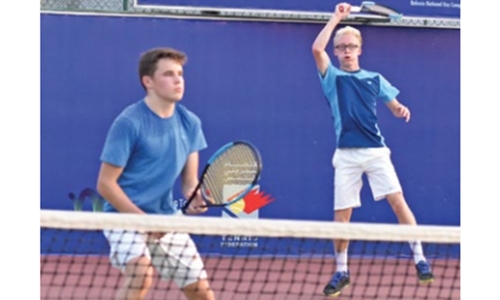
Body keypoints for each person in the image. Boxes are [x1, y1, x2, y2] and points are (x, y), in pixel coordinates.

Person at [311, 3, 434, 297]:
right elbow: (317, 50)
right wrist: (337, 18)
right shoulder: (332, 78)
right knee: (342, 217)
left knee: (397, 201)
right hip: (346, 155)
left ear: (359, 50)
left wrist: (400, 109)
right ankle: (342, 271)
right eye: (341, 47)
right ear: (337, 52)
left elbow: (393, 105)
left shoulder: (375, 79)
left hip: (376, 152)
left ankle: (420, 259)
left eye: (352, 46)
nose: (347, 51)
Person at [96, 47, 216, 300]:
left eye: (180, 74)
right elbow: (106, 184)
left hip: (166, 218)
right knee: (140, 274)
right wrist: (142, 220)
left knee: (202, 294)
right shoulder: (129, 122)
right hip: (124, 217)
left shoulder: (190, 122)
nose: (178, 80)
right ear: (148, 81)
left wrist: (195, 196)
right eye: (169, 74)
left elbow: (189, 181)